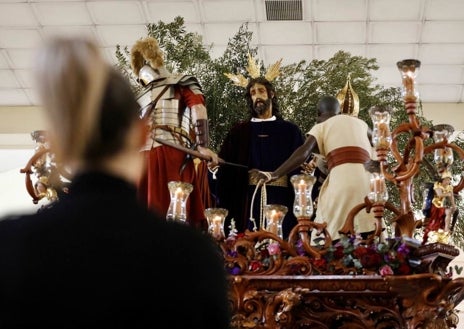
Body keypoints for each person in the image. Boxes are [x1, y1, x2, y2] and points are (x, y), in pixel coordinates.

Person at [0, 36, 230, 329]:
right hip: (158, 157)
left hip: (171, 151)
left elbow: (197, 110)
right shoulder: (193, 256)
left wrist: (202, 144)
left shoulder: (9, 245)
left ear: (57, 140)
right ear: (136, 131)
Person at [251, 95, 377, 242]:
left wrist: (274, 174)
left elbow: (303, 152)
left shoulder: (321, 126)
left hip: (342, 186)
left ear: (319, 114)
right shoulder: (360, 123)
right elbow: (378, 140)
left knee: (325, 234)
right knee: (370, 231)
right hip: (369, 187)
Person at [130, 36, 218, 230]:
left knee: (144, 214)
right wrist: (203, 146)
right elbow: (198, 109)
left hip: (146, 157)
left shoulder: (142, 94)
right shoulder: (180, 83)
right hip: (170, 153)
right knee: (176, 213)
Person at [214, 67, 305, 239]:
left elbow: (300, 166)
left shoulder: (290, 130)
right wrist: (216, 165)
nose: (257, 96)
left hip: (281, 198)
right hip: (249, 198)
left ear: (271, 94)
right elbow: (225, 165)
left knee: (281, 242)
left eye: (261, 91)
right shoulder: (239, 131)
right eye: (253, 93)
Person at [422, 170, 456, 244]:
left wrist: (454, 205)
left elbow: (452, 196)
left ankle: (446, 229)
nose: (448, 181)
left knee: (449, 212)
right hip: (434, 205)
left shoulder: (449, 187)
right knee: (434, 222)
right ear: (443, 179)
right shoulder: (437, 185)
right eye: (447, 179)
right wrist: (448, 194)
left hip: (441, 205)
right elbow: (439, 194)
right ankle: (431, 233)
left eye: (449, 180)